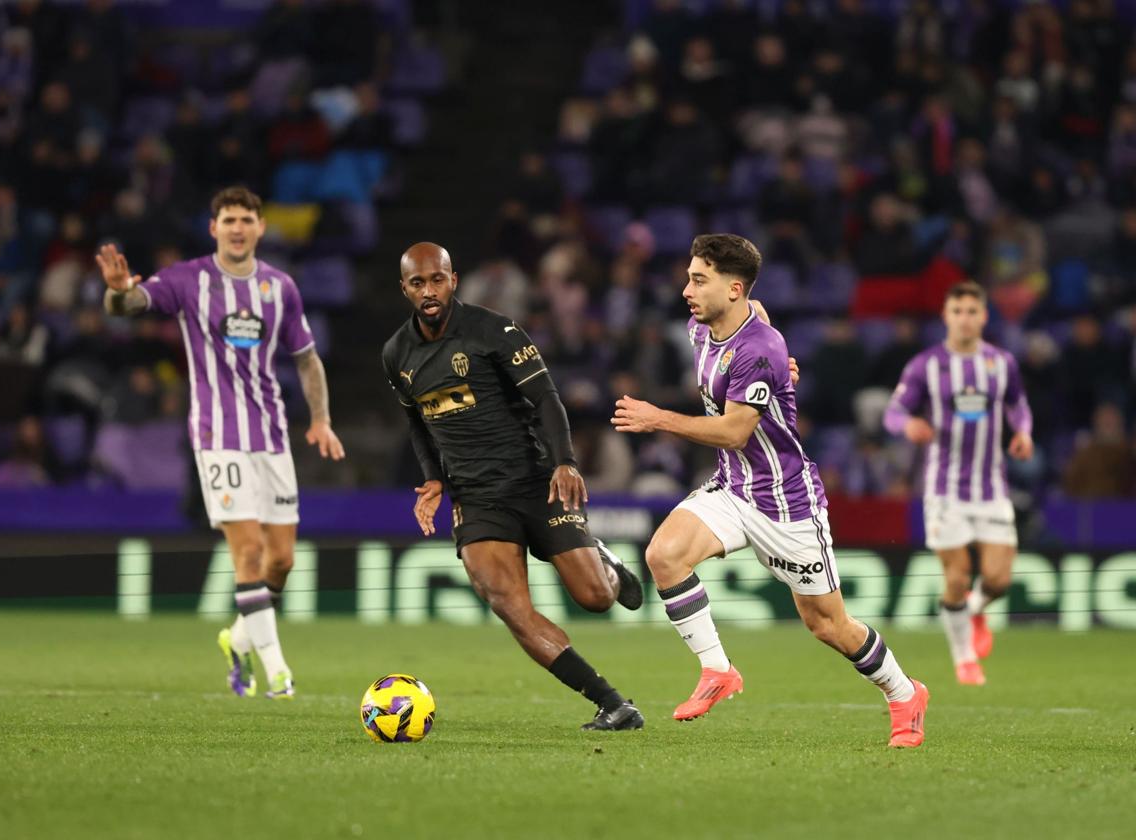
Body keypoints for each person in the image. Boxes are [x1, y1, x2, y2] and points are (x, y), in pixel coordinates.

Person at [612, 234, 929, 748]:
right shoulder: (709, 326)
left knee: (828, 625)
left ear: (731, 288)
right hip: (734, 487)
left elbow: (736, 431)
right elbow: (759, 313)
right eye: (689, 277)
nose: (686, 290)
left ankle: (904, 692)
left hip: (787, 504)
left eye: (699, 279)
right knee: (665, 554)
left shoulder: (758, 348)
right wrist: (783, 371)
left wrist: (658, 418)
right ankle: (718, 670)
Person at [381, 242, 646, 731]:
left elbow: (546, 397)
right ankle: (613, 704)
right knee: (510, 606)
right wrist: (434, 479)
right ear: (405, 289)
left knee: (595, 598)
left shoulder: (494, 331)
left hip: (535, 480)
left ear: (453, 280)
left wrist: (565, 462)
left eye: (436, 279)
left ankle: (605, 563)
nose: (429, 291)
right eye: (417, 284)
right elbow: (417, 423)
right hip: (477, 499)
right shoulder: (397, 354)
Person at [96, 185, 345, 701]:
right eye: (228, 219)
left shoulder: (280, 288)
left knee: (282, 561)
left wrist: (320, 419)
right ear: (214, 228)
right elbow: (131, 304)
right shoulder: (189, 279)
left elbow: (306, 357)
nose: (237, 227)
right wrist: (119, 291)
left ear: (259, 228)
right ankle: (277, 672)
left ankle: (237, 638)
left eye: (246, 219)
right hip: (217, 439)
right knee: (248, 552)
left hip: (272, 437)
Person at [884, 280, 1033, 686]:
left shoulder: (1002, 363)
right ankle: (964, 658)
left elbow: (1019, 405)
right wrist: (909, 423)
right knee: (957, 576)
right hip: (944, 489)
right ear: (946, 316)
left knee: (1000, 580)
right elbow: (893, 412)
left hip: (992, 488)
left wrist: (1023, 432)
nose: (965, 319)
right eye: (957, 312)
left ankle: (975, 609)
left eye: (972, 311)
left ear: (983, 316)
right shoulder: (926, 365)